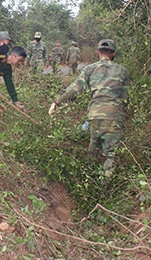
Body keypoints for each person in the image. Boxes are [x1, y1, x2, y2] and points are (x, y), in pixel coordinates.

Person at [48, 39, 130, 179]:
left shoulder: (89, 69)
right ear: (113, 53)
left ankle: (88, 183)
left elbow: (75, 88)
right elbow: (125, 97)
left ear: (98, 52)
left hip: (94, 116)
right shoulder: (122, 71)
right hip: (113, 117)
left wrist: (56, 102)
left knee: (93, 151)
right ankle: (105, 189)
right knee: (111, 155)